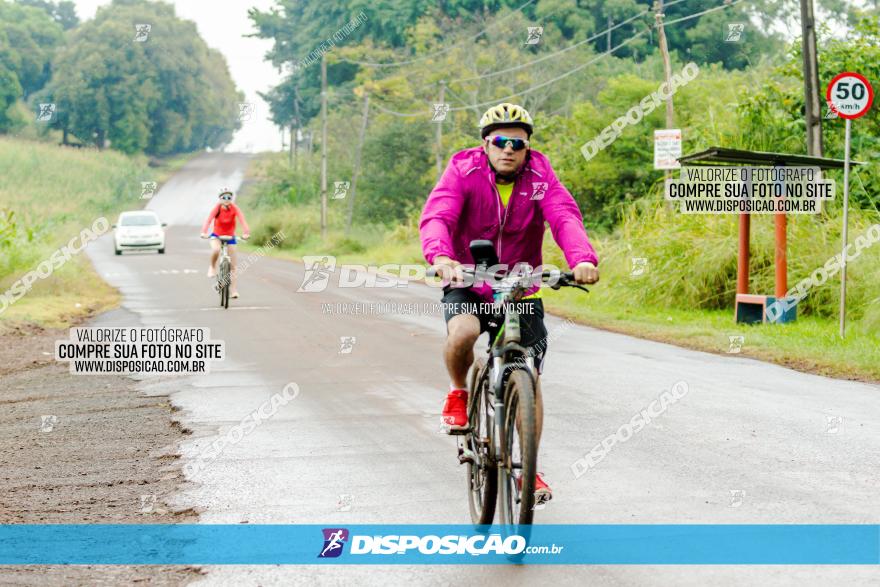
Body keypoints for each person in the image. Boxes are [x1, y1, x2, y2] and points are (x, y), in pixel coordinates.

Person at [419, 102, 600, 503]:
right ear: (485, 144)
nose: (508, 149)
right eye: (499, 141)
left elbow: (564, 216)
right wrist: (442, 257)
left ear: (527, 147)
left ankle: (528, 470)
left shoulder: (540, 174)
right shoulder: (463, 170)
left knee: (526, 374)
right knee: (463, 331)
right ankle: (457, 392)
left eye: (517, 143)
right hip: (468, 277)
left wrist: (582, 259)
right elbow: (439, 216)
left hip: (521, 284)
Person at [200, 188, 250, 298]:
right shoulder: (217, 208)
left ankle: (233, 290)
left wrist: (246, 233)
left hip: (230, 236)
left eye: (229, 197)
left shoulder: (234, 208)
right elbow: (208, 220)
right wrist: (204, 232)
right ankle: (212, 267)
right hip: (217, 235)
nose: (227, 199)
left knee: (233, 266)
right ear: (220, 199)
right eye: (224, 197)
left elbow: (242, 220)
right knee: (216, 250)